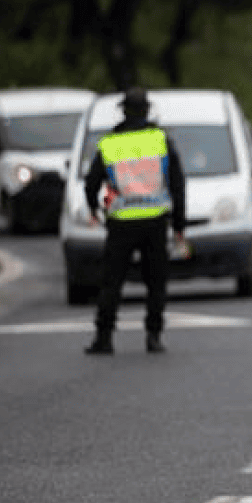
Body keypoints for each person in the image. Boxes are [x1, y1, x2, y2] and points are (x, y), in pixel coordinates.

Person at [83, 87, 187, 355]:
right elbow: (177, 184)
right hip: (155, 221)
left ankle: (104, 338)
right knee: (156, 282)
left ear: (123, 111)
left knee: (112, 282)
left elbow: (91, 183)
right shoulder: (161, 140)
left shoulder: (110, 143)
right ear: (147, 111)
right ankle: (154, 336)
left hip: (121, 223)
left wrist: (94, 209)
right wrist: (179, 226)